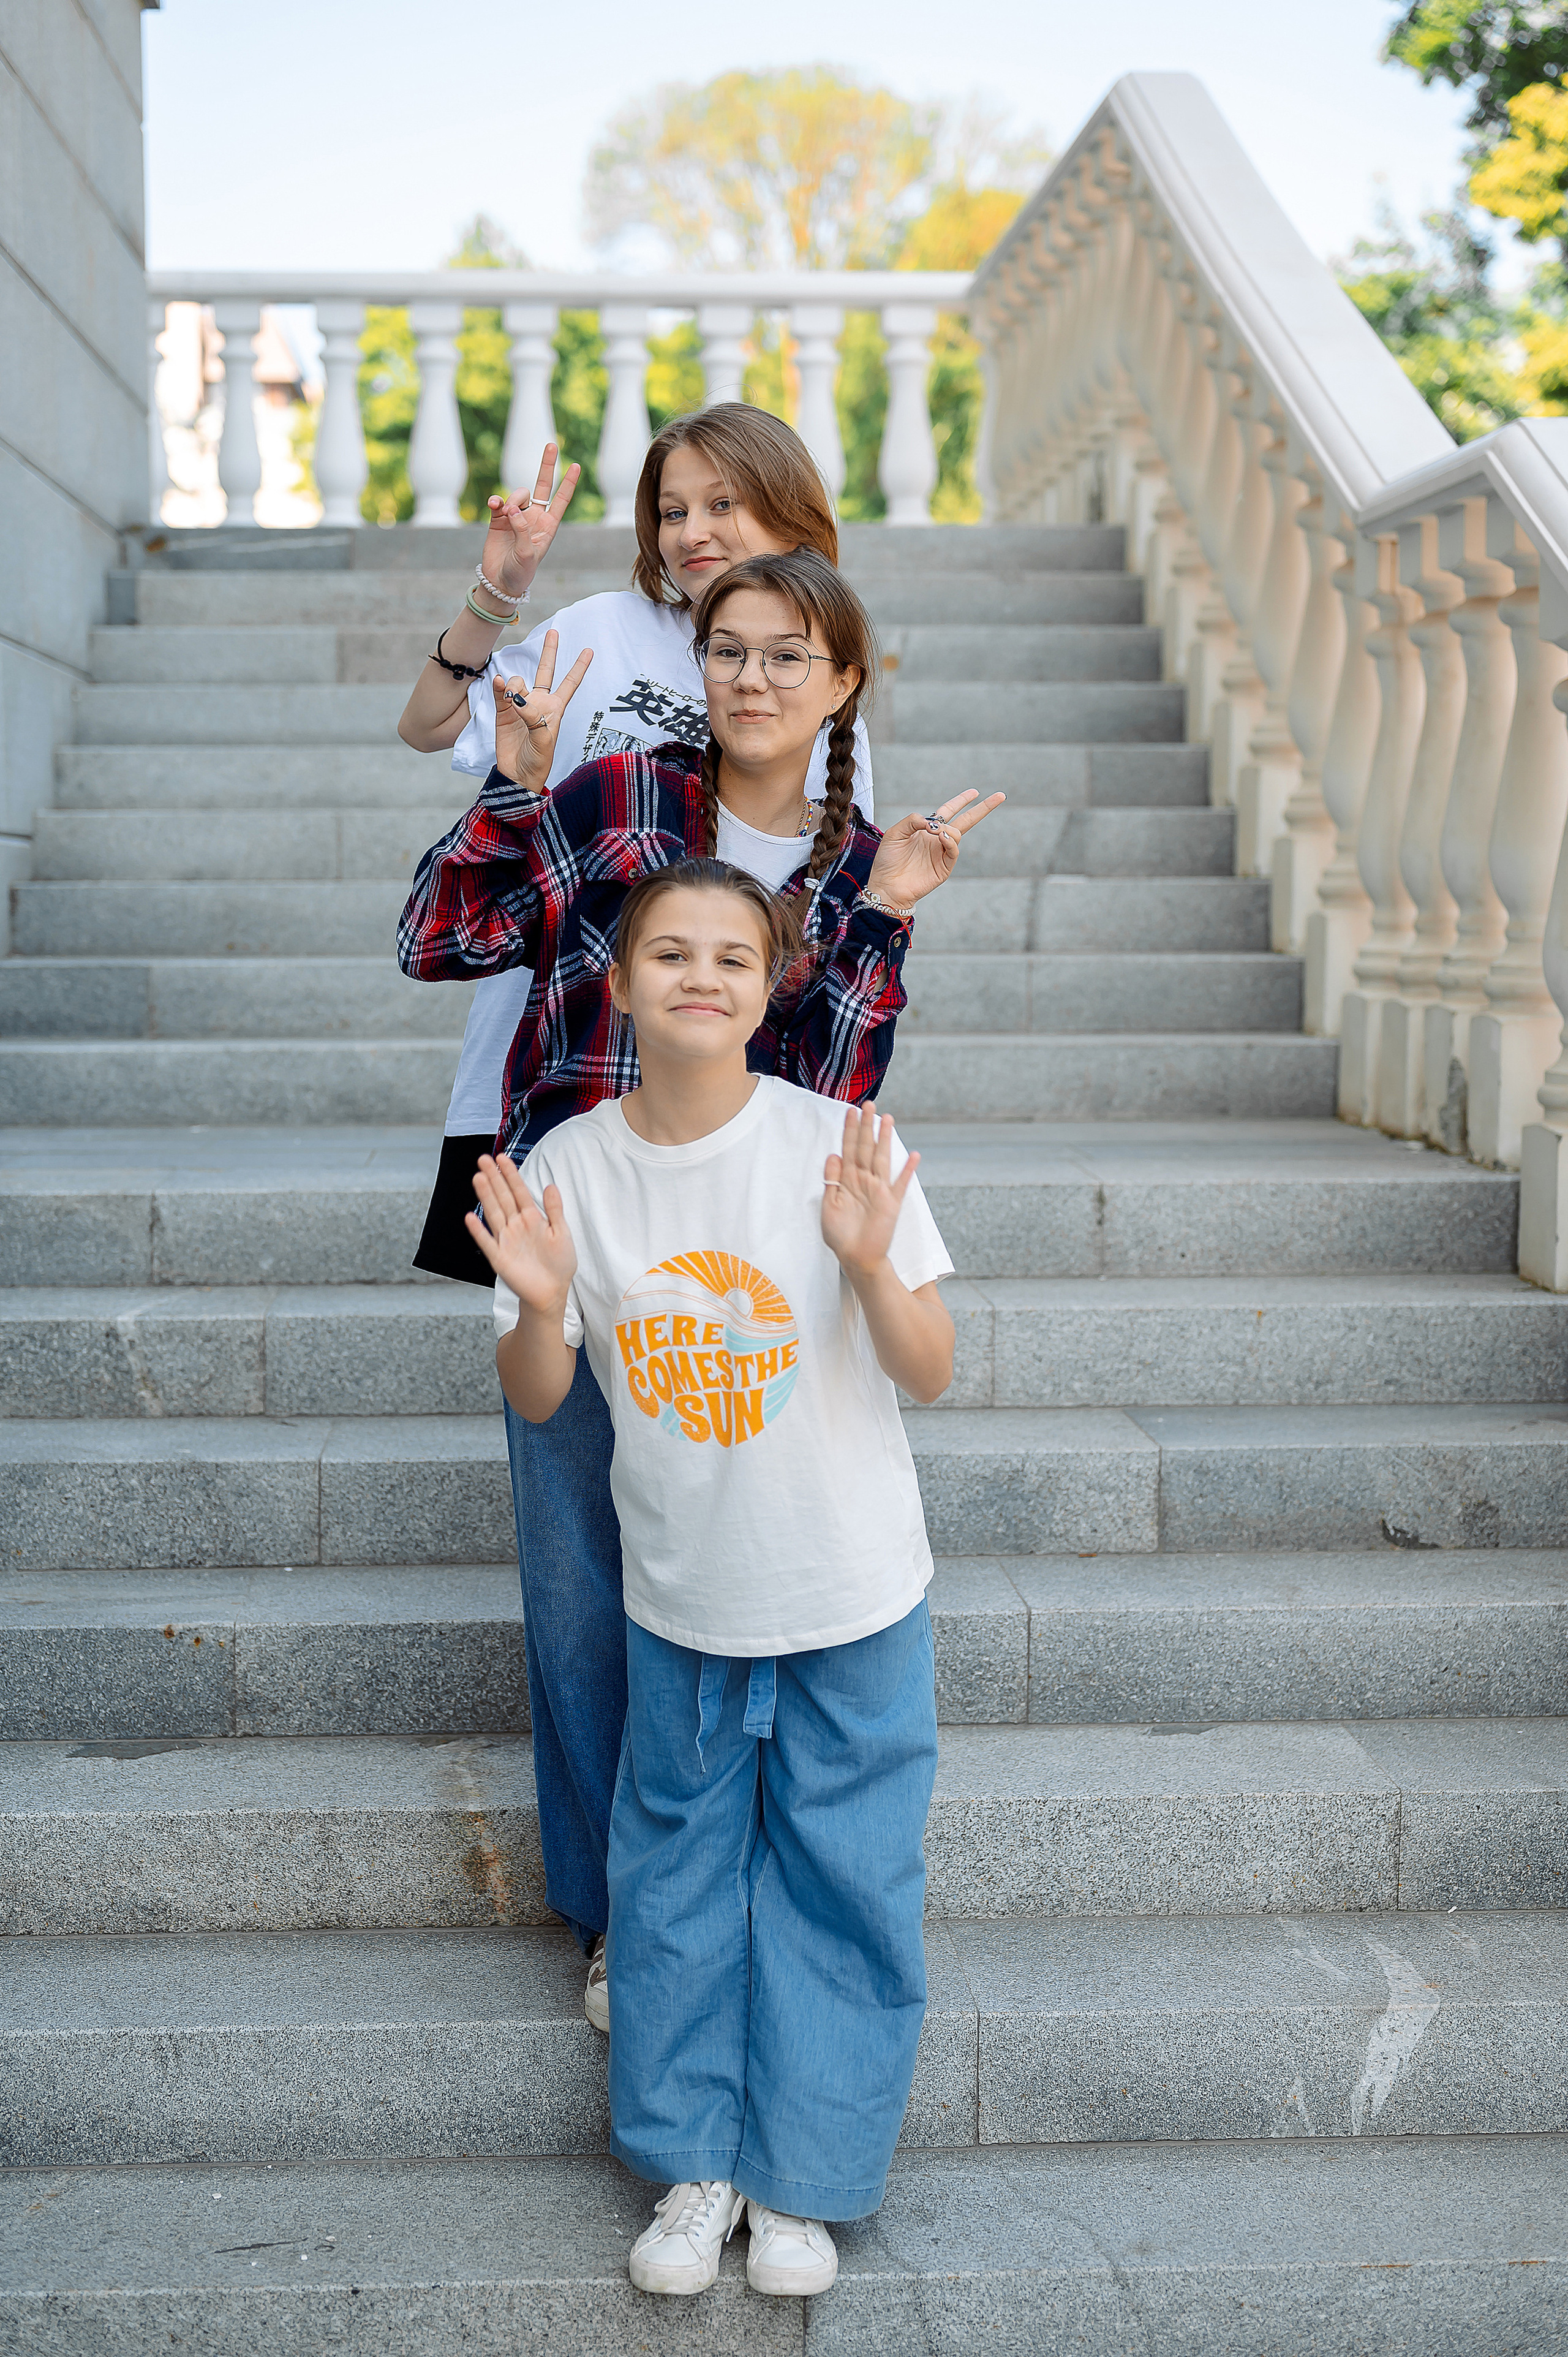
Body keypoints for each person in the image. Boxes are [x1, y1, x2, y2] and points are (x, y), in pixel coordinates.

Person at [398, 546, 1001, 2038]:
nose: (750, 678)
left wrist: (886, 918)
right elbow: (439, 940)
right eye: (728, 649)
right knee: (585, 1592)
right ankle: (621, 1917)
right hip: (584, 1222)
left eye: (787, 655)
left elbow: (816, 1098)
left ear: (840, 682)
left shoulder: (860, 860)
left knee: (719, 1584)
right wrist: (517, 794)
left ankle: (751, 1892)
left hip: (749, 1275)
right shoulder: (617, 798)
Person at [468, 855, 954, 2299]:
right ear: (616, 982)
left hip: (853, 1588)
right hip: (681, 1595)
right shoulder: (567, 1166)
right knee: (671, 1880)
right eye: (667, 953)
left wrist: (870, 1268)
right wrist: (543, 1306)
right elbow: (543, 1393)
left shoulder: (835, 1142)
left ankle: (805, 2180)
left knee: (847, 1874)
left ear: (772, 984)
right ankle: (697, 2167)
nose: (699, 976)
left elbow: (927, 1366)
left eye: (731, 958)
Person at [398, 408, 875, 1287]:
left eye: (723, 503)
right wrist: (497, 596)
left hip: (711, 1087)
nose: (692, 532)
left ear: (791, 512)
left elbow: (819, 938)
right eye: (672, 510)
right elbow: (425, 725)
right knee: (553, 1339)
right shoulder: (602, 631)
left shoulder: (805, 682)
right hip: (556, 1055)